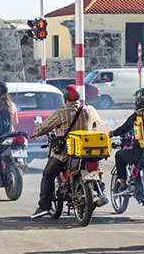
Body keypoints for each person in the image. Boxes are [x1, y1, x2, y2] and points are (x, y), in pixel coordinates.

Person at [30, 85, 101, 219]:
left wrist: (36, 132)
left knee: (47, 175)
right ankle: (98, 193)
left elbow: (44, 127)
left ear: (65, 98)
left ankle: (44, 206)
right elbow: (97, 122)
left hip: (65, 153)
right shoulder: (89, 110)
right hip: (86, 152)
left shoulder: (62, 112)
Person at [107, 87, 144, 192]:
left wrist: (112, 133)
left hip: (141, 151)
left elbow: (125, 128)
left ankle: (123, 184)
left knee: (119, 155)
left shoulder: (138, 115)